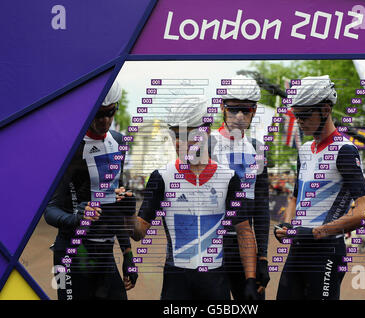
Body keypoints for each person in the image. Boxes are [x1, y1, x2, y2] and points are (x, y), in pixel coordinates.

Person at [130, 98, 259, 300]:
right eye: (175, 134)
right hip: (176, 282)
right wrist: (125, 213)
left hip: (216, 282)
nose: (180, 142)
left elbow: (244, 232)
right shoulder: (161, 177)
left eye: (188, 134)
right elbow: (138, 233)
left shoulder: (228, 178)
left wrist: (250, 279)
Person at [274, 75, 365, 300]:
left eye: (304, 115)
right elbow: (295, 197)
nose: (299, 121)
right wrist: (287, 225)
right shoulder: (305, 149)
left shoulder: (345, 151)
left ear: (326, 109)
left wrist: (317, 232)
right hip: (298, 249)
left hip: (326, 253)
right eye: (296, 115)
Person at [44, 81, 138, 300]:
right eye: (98, 114)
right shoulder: (69, 146)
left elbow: (117, 204)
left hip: (104, 253)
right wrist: (76, 218)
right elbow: (50, 209)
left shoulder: (119, 142)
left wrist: (128, 254)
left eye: (110, 113)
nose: (105, 121)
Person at [208, 76, 270, 300]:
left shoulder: (258, 149)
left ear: (254, 110)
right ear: (223, 108)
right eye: (234, 109)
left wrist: (262, 257)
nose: (240, 117)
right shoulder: (206, 144)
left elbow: (262, 208)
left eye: (247, 110)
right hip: (211, 246)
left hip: (246, 249)